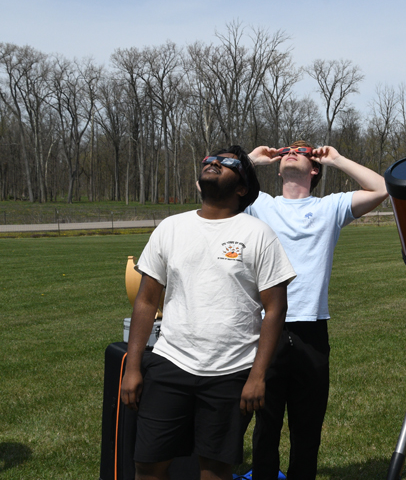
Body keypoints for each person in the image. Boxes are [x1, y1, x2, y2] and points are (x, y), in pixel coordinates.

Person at [120, 146, 296, 480]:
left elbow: (275, 309)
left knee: (214, 470)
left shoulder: (258, 234)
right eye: (209, 160)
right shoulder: (171, 228)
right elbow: (145, 301)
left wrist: (258, 377)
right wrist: (133, 367)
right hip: (171, 364)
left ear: (242, 187)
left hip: (232, 372)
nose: (213, 163)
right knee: (148, 466)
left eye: (227, 162)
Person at [245, 140, 388, 480]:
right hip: (268, 330)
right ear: (278, 167)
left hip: (312, 330)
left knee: (307, 429)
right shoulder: (259, 204)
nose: (292, 151)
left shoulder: (330, 207)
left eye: (303, 150)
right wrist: (250, 161)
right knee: (266, 425)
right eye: (287, 150)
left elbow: (382, 188)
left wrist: (337, 159)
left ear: (314, 169)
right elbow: (209, 186)